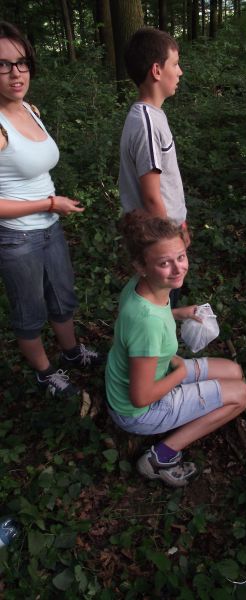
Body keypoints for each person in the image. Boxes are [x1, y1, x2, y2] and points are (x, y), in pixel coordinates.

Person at [105, 214, 246, 488]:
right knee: (241, 395)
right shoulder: (147, 323)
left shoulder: (142, 289)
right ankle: (160, 458)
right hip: (139, 412)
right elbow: (141, 397)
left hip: (147, 372)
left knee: (234, 371)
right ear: (141, 265)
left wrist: (176, 313)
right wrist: (181, 370)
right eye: (164, 263)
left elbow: (144, 324)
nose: (177, 269)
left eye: (181, 257)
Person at [0, 21, 102, 398]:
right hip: (15, 238)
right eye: (3, 64)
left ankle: (72, 353)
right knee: (30, 311)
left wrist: (51, 207)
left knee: (62, 296)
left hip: (50, 226)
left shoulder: (29, 108)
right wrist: (47, 202)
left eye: (22, 62)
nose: (15, 73)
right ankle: (45, 373)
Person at [119, 27, 188, 307]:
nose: (180, 71)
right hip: (159, 242)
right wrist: (174, 241)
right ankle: (156, 351)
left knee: (165, 305)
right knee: (160, 305)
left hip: (165, 234)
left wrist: (181, 224)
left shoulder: (152, 116)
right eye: (175, 64)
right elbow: (150, 195)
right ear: (157, 71)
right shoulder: (146, 124)